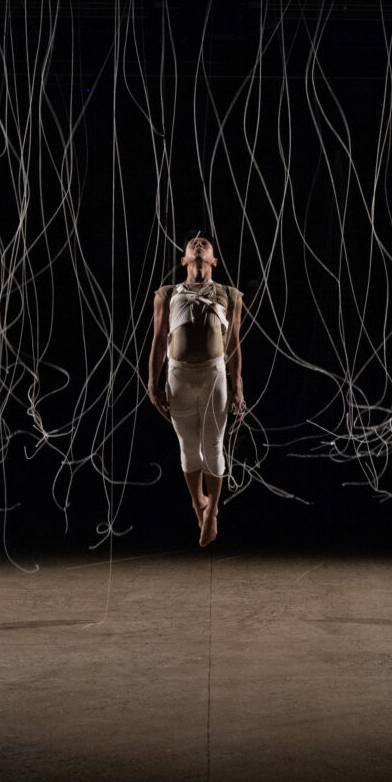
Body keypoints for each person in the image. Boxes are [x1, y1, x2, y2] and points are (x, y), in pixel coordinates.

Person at [148, 234, 246, 547]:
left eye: (205, 243)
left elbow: (233, 344)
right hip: (178, 376)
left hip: (214, 375)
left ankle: (212, 510)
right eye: (193, 243)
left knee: (213, 445)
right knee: (189, 446)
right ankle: (197, 502)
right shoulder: (167, 294)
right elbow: (159, 340)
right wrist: (152, 382)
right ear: (184, 260)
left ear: (214, 261)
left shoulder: (230, 294)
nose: (199, 243)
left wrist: (237, 384)